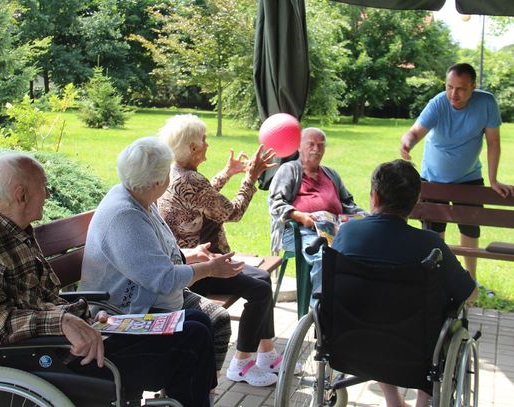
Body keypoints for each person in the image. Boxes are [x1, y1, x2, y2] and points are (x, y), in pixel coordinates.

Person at [0, 152, 217, 407]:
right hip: (49, 355)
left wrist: (78, 316)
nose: (47, 195)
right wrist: (62, 322)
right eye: (43, 187)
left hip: (72, 339)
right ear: (21, 195)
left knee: (195, 320)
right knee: (191, 339)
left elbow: (39, 300)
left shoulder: (16, 231)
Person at [79, 137, 245, 387]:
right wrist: (210, 268)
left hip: (151, 302)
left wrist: (190, 254)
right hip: (120, 315)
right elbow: (163, 279)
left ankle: (197, 394)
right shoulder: (125, 215)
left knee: (210, 320)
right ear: (158, 181)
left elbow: (150, 255)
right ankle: (191, 396)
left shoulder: (140, 198)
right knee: (195, 332)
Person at [333, 159, 477, 407]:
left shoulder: (347, 234)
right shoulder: (430, 245)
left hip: (351, 345)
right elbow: (469, 293)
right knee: (437, 317)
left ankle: (393, 400)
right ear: (414, 203)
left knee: (375, 309)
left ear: (375, 197)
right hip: (415, 354)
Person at [157, 114, 284, 387]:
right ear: (192, 147)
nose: (207, 144)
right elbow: (232, 212)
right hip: (195, 268)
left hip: (190, 260)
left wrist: (226, 173)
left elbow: (202, 198)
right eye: (203, 139)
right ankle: (241, 362)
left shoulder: (175, 172)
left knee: (261, 279)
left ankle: (266, 352)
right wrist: (250, 177)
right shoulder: (190, 179)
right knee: (260, 288)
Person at [400, 62, 514, 282]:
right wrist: (407, 143)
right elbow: (415, 132)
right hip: (433, 179)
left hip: (469, 178)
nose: (454, 93)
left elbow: (493, 143)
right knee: (434, 234)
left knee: (470, 229)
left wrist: (493, 180)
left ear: (473, 87)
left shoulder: (486, 102)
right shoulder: (438, 103)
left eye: (461, 88)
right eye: (449, 86)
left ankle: (470, 280)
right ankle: (437, 280)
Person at [268, 127, 362, 298]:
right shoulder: (289, 170)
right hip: (299, 232)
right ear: (299, 146)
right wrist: (300, 216)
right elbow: (275, 203)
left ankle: (348, 305)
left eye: (321, 145)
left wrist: (368, 217)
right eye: (311, 144)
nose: (316, 149)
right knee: (323, 258)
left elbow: (348, 203)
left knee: (359, 253)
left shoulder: (331, 174)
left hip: (334, 232)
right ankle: (320, 312)